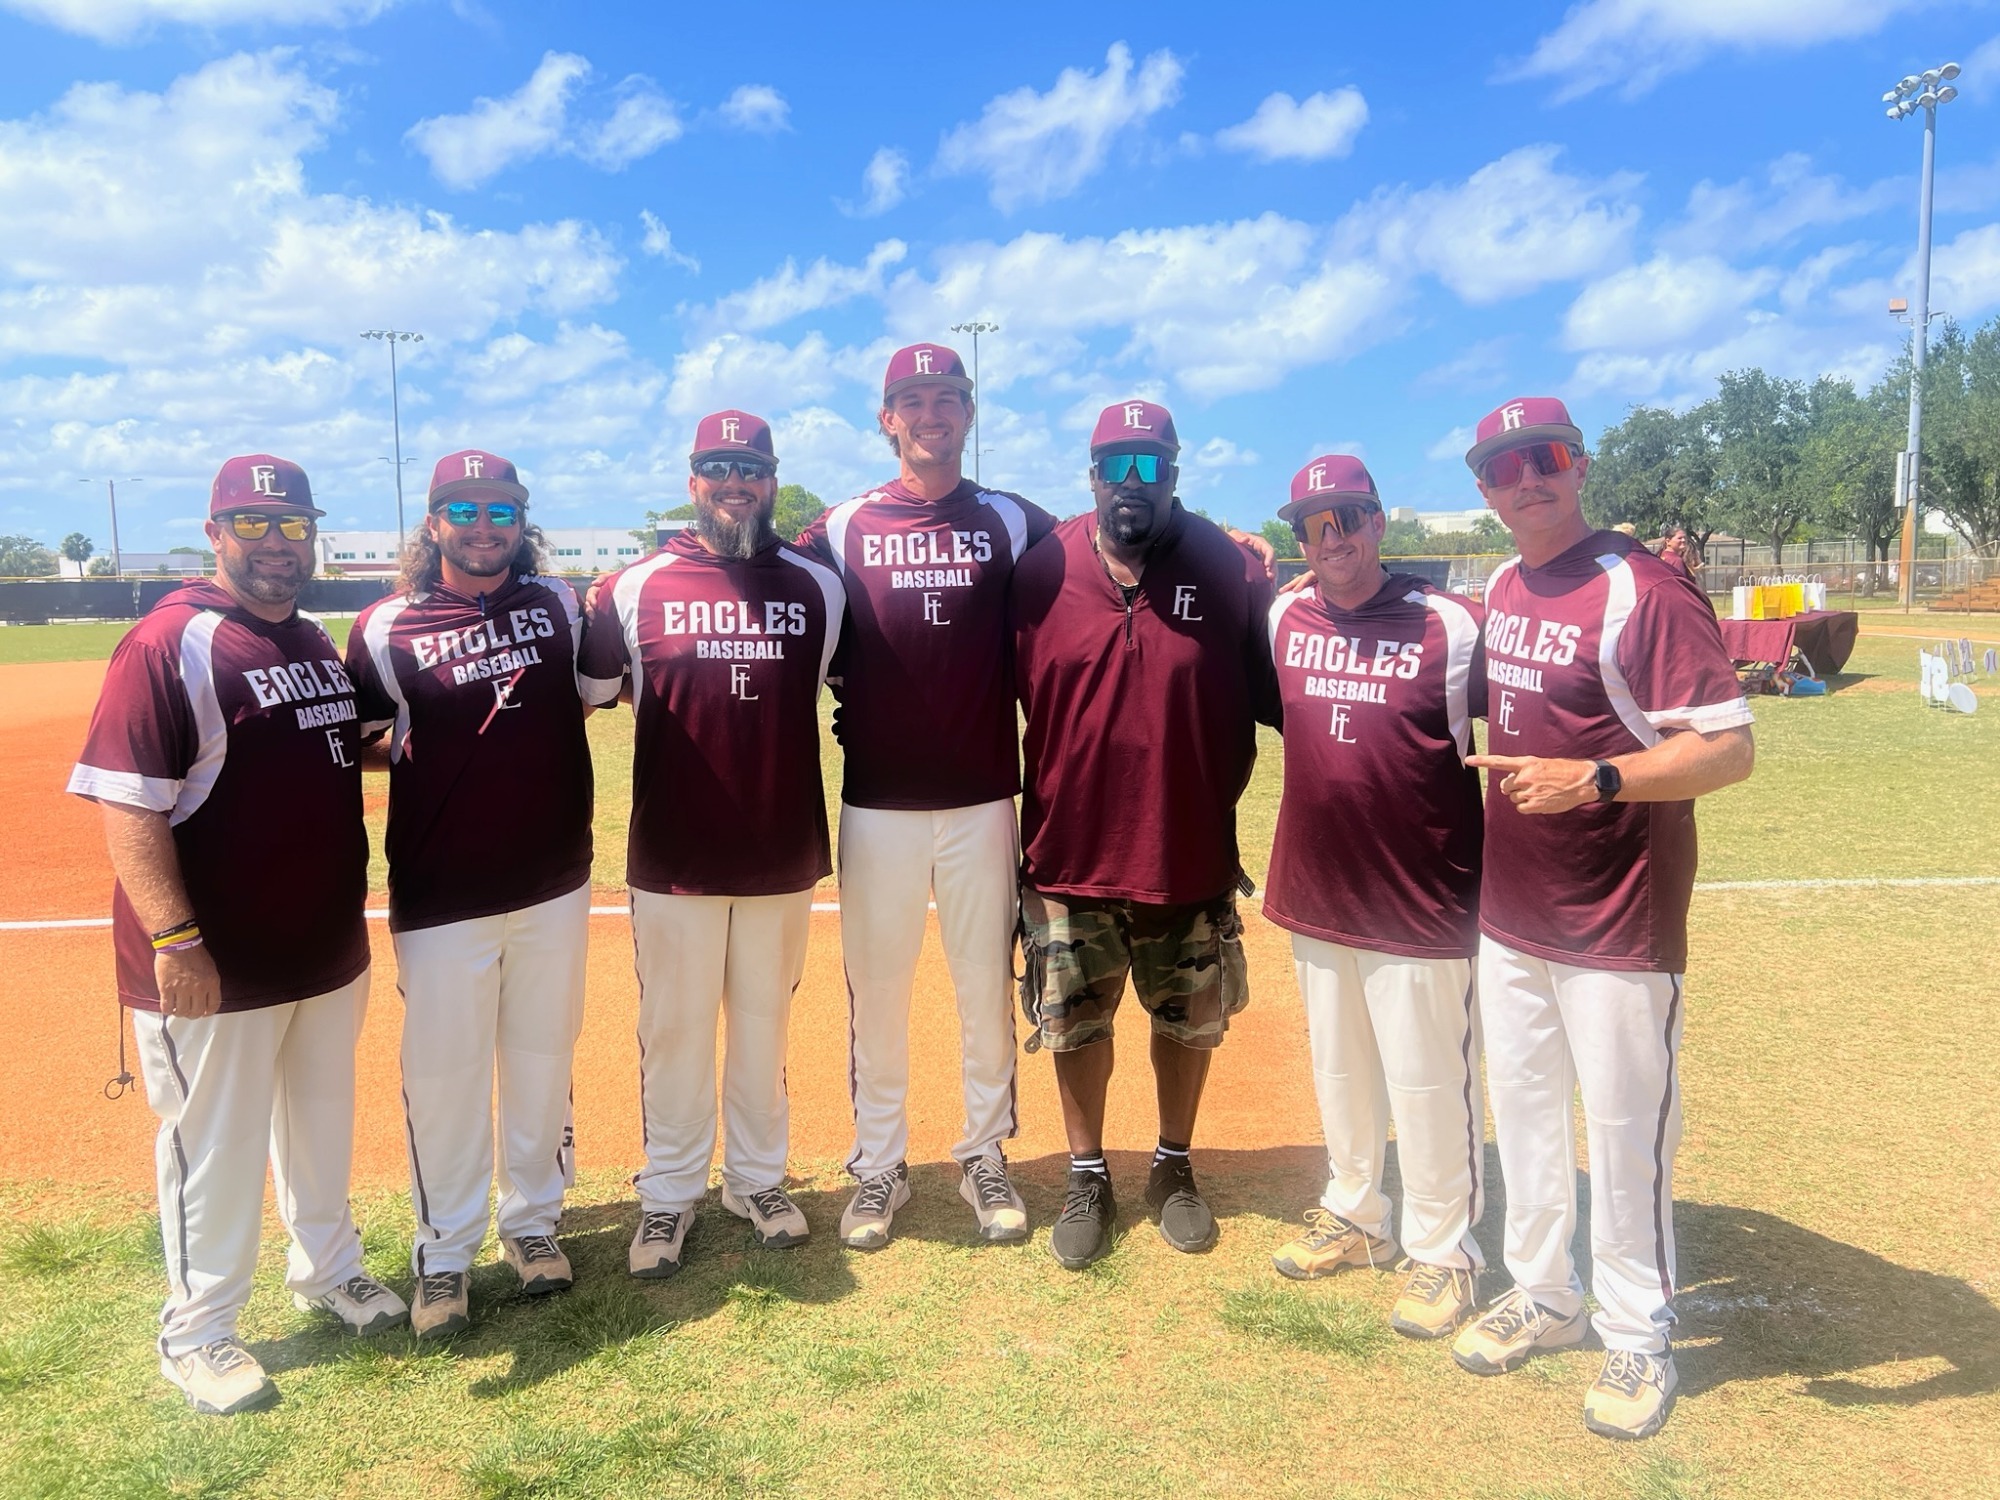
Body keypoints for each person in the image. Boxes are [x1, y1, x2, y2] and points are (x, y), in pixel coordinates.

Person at [67, 454, 401, 1415]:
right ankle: (199, 1330)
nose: (276, 543)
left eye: (293, 524)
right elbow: (130, 805)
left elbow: (341, 747)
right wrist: (176, 940)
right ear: (214, 533)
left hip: (323, 946)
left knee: (319, 1126)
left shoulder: (308, 637)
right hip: (216, 960)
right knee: (212, 1148)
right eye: (252, 525)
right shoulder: (168, 642)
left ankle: (328, 1270)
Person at [1452, 398, 1754, 1441]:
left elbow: (1727, 748)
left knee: (1626, 1135)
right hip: (1511, 910)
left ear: (1578, 465)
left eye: (1543, 458)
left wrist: (1598, 778)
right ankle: (1544, 1294)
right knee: (1527, 1116)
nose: (1525, 480)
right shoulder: (1503, 583)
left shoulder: (1642, 587)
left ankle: (1637, 1333)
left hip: (1617, 919)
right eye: (1502, 468)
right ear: (1483, 489)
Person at [1010, 399, 1277, 1269]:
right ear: (1092, 475)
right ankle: (1087, 1174)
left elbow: (1286, 686)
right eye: (1117, 465)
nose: (1134, 481)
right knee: (1074, 1026)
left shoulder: (1229, 568)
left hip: (1186, 851)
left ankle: (1172, 1164)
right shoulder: (1039, 568)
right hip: (1068, 853)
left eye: (1151, 464)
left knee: (1188, 1025)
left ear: (1175, 472)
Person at [795, 344, 1051, 1249]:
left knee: (984, 984)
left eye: (947, 398)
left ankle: (984, 1151)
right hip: (878, 803)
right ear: (887, 417)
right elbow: (752, 571)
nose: (931, 414)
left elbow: (1110, 548)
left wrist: (1231, 548)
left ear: (968, 413)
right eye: (913, 400)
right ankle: (880, 1164)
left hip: (982, 800)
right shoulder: (841, 525)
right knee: (878, 991)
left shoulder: (1012, 518)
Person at [580, 411, 845, 1276]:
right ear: (693, 480)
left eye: (752, 469)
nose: (737, 483)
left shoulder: (819, 586)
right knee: (675, 1032)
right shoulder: (634, 587)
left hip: (779, 849)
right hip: (674, 853)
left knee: (765, 1028)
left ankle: (758, 1180)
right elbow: (594, 693)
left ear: (772, 480)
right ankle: (668, 1193)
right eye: (719, 468)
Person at [346, 450, 592, 1338]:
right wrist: (431, 749)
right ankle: (445, 1253)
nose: (483, 527)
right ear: (434, 521)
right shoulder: (384, 626)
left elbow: (584, 700)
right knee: (444, 1076)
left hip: (554, 878)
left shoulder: (563, 605)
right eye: (464, 510)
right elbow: (362, 737)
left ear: (521, 522)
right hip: (441, 888)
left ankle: (533, 1222)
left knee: (542, 1056)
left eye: (500, 511)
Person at [1262, 455, 1489, 1340]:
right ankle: (1357, 1214)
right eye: (1312, 526)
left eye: (1347, 519)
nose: (1332, 539)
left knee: (1429, 1080)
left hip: (1422, 895)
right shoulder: (1283, 616)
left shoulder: (1450, 625)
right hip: (1319, 884)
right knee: (1340, 1067)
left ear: (1379, 521)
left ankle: (1444, 1252)